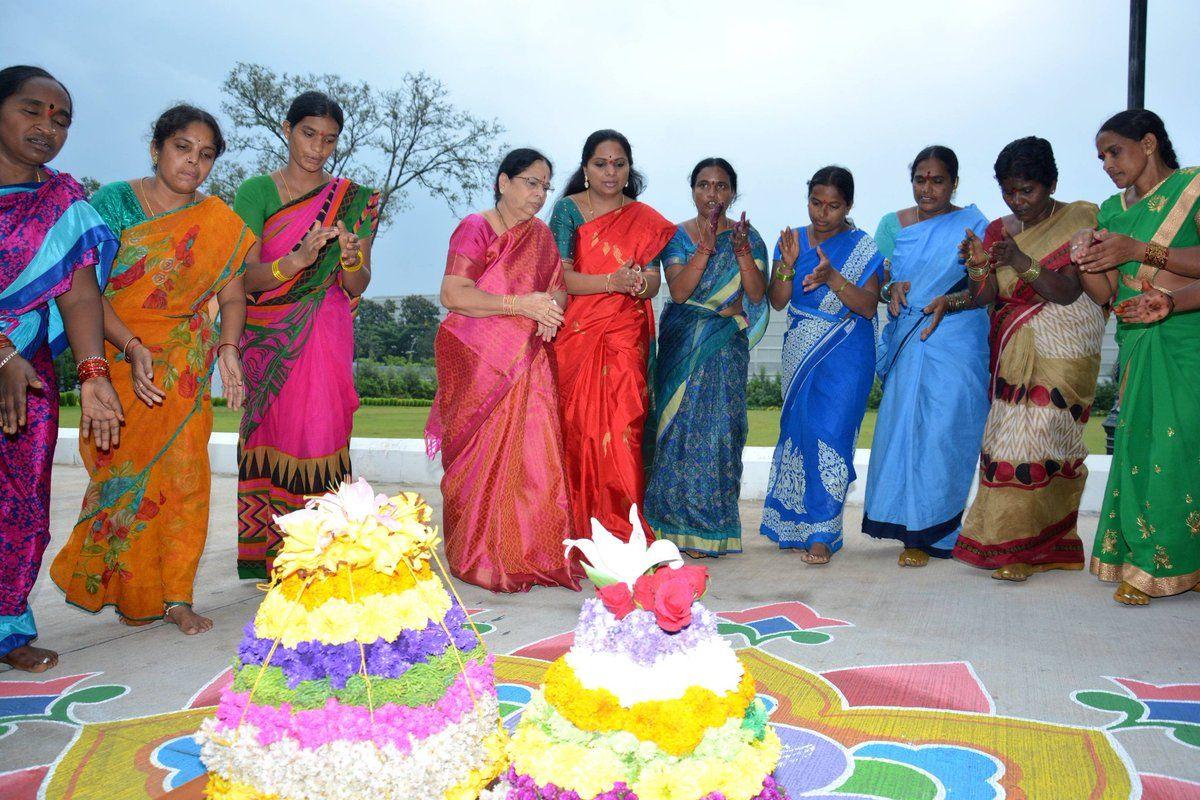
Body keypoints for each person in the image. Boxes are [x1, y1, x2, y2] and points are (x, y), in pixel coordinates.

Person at [51, 106, 254, 632]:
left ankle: (175, 596)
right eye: (183, 148)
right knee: (118, 475)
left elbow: (232, 294)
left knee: (186, 477)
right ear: (156, 148)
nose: (194, 163)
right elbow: (86, 289)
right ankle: (127, 589)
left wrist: (229, 347)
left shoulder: (218, 223)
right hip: (116, 357)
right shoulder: (113, 203)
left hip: (185, 367)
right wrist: (133, 343)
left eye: (206, 154)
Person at [0, 65, 122, 671]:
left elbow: (79, 294)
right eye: (32, 110)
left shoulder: (63, 202)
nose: (47, 127)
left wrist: (95, 373)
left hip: (33, 379)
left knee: (22, 502)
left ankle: (9, 628)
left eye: (61, 118)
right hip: (8, 361)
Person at [947, 137, 1108, 582]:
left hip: (1065, 342)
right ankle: (1013, 546)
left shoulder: (1080, 217)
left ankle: (1048, 545)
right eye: (1008, 191)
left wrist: (1019, 260)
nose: (1017, 201)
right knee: (1007, 446)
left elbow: (1069, 289)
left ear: (1051, 184)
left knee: (1047, 442)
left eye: (1027, 191)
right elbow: (987, 297)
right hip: (1014, 347)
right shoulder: (997, 230)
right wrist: (979, 266)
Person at [233, 91, 379, 579]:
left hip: (324, 333)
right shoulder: (255, 193)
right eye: (308, 134)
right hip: (267, 340)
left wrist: (352, 256)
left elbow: (357, 282)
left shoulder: (355, 201)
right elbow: (244, 277)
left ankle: (323, 555)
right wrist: (294, 261)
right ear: (287, 128)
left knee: (323, 429)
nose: (318, 148)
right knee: (272, 434)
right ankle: (273, 554)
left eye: (330, 140)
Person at [426, 148, 579, 592]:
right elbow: (453, 294)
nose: (539, 194)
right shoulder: (476, 228)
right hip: (478, 365)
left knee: (531, 463)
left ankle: (528, 552)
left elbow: (557, 290)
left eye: (545, 186)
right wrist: (519, 305)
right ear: (503, 182)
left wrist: (549, 313)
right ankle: (477, 554)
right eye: (531, 182)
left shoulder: (542, 238)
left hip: (528, 365)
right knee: (478, 463)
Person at [1075, 110, 1200, 605]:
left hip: (1185, 334)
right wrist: (1085, 259)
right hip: (1136, 338)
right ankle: (1146, 561)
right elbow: (1104, 291)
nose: (1107, 164)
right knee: (1140, 449)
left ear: (1148, 143)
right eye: (1101, 157)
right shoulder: (1111, 209)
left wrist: (1140, 250)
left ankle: (1173, 562)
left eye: (1115, 152)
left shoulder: (1192, 188)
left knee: (1181, 449)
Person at [863, 146, 989, 567]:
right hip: (908, 337)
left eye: (937, 180)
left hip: (956, 339)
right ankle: (912, 533)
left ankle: (944, 527)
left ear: (954, 183)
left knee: (945, 433)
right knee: (906, 435)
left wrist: (948, 302)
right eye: (920, 179)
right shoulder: (891, 225)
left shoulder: (973, 225)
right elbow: (876, 281)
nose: (927, 188)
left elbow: (984, 289)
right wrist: (889, 289)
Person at [550, 130, 676, 544]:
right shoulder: (567, 211)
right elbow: (560, 277)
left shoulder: (644, 220)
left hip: (625, 336)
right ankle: (577, 532)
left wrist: (637, 284)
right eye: (601, 163)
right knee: (578, 432)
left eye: (619, 164)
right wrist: (611, 280)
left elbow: (655, 283)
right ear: (585, 168)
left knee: (624, 429)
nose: (610, 171)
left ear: (629, 169)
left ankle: (626, 533)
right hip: (577, 336)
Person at [644, 158, 768, 557]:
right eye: (703, 185)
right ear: (692, 189)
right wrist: (706, 247)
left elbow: (754, 293)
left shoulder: (750, 237)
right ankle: (669, 529)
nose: (711, 194)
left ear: (733, 192)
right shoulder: (676, 236)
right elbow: (679, 292)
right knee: (676, 433)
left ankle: (710, 530)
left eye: (720, 186)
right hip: (684, 342)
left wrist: (743, 251)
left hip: (723, 348)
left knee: (719, 434)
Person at [760, 166, 884, 564]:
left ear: (848, 206)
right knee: (800, 430)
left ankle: (823, 534)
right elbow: (778, 301)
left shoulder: (864, 247)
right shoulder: (791, 240)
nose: (822, 213)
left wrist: (833, 278)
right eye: (816, 202)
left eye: (833, 206)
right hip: (800, 347)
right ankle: (797, 525)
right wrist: (786, 265)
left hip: (847, 347)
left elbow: (866, 306)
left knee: (832, 433)